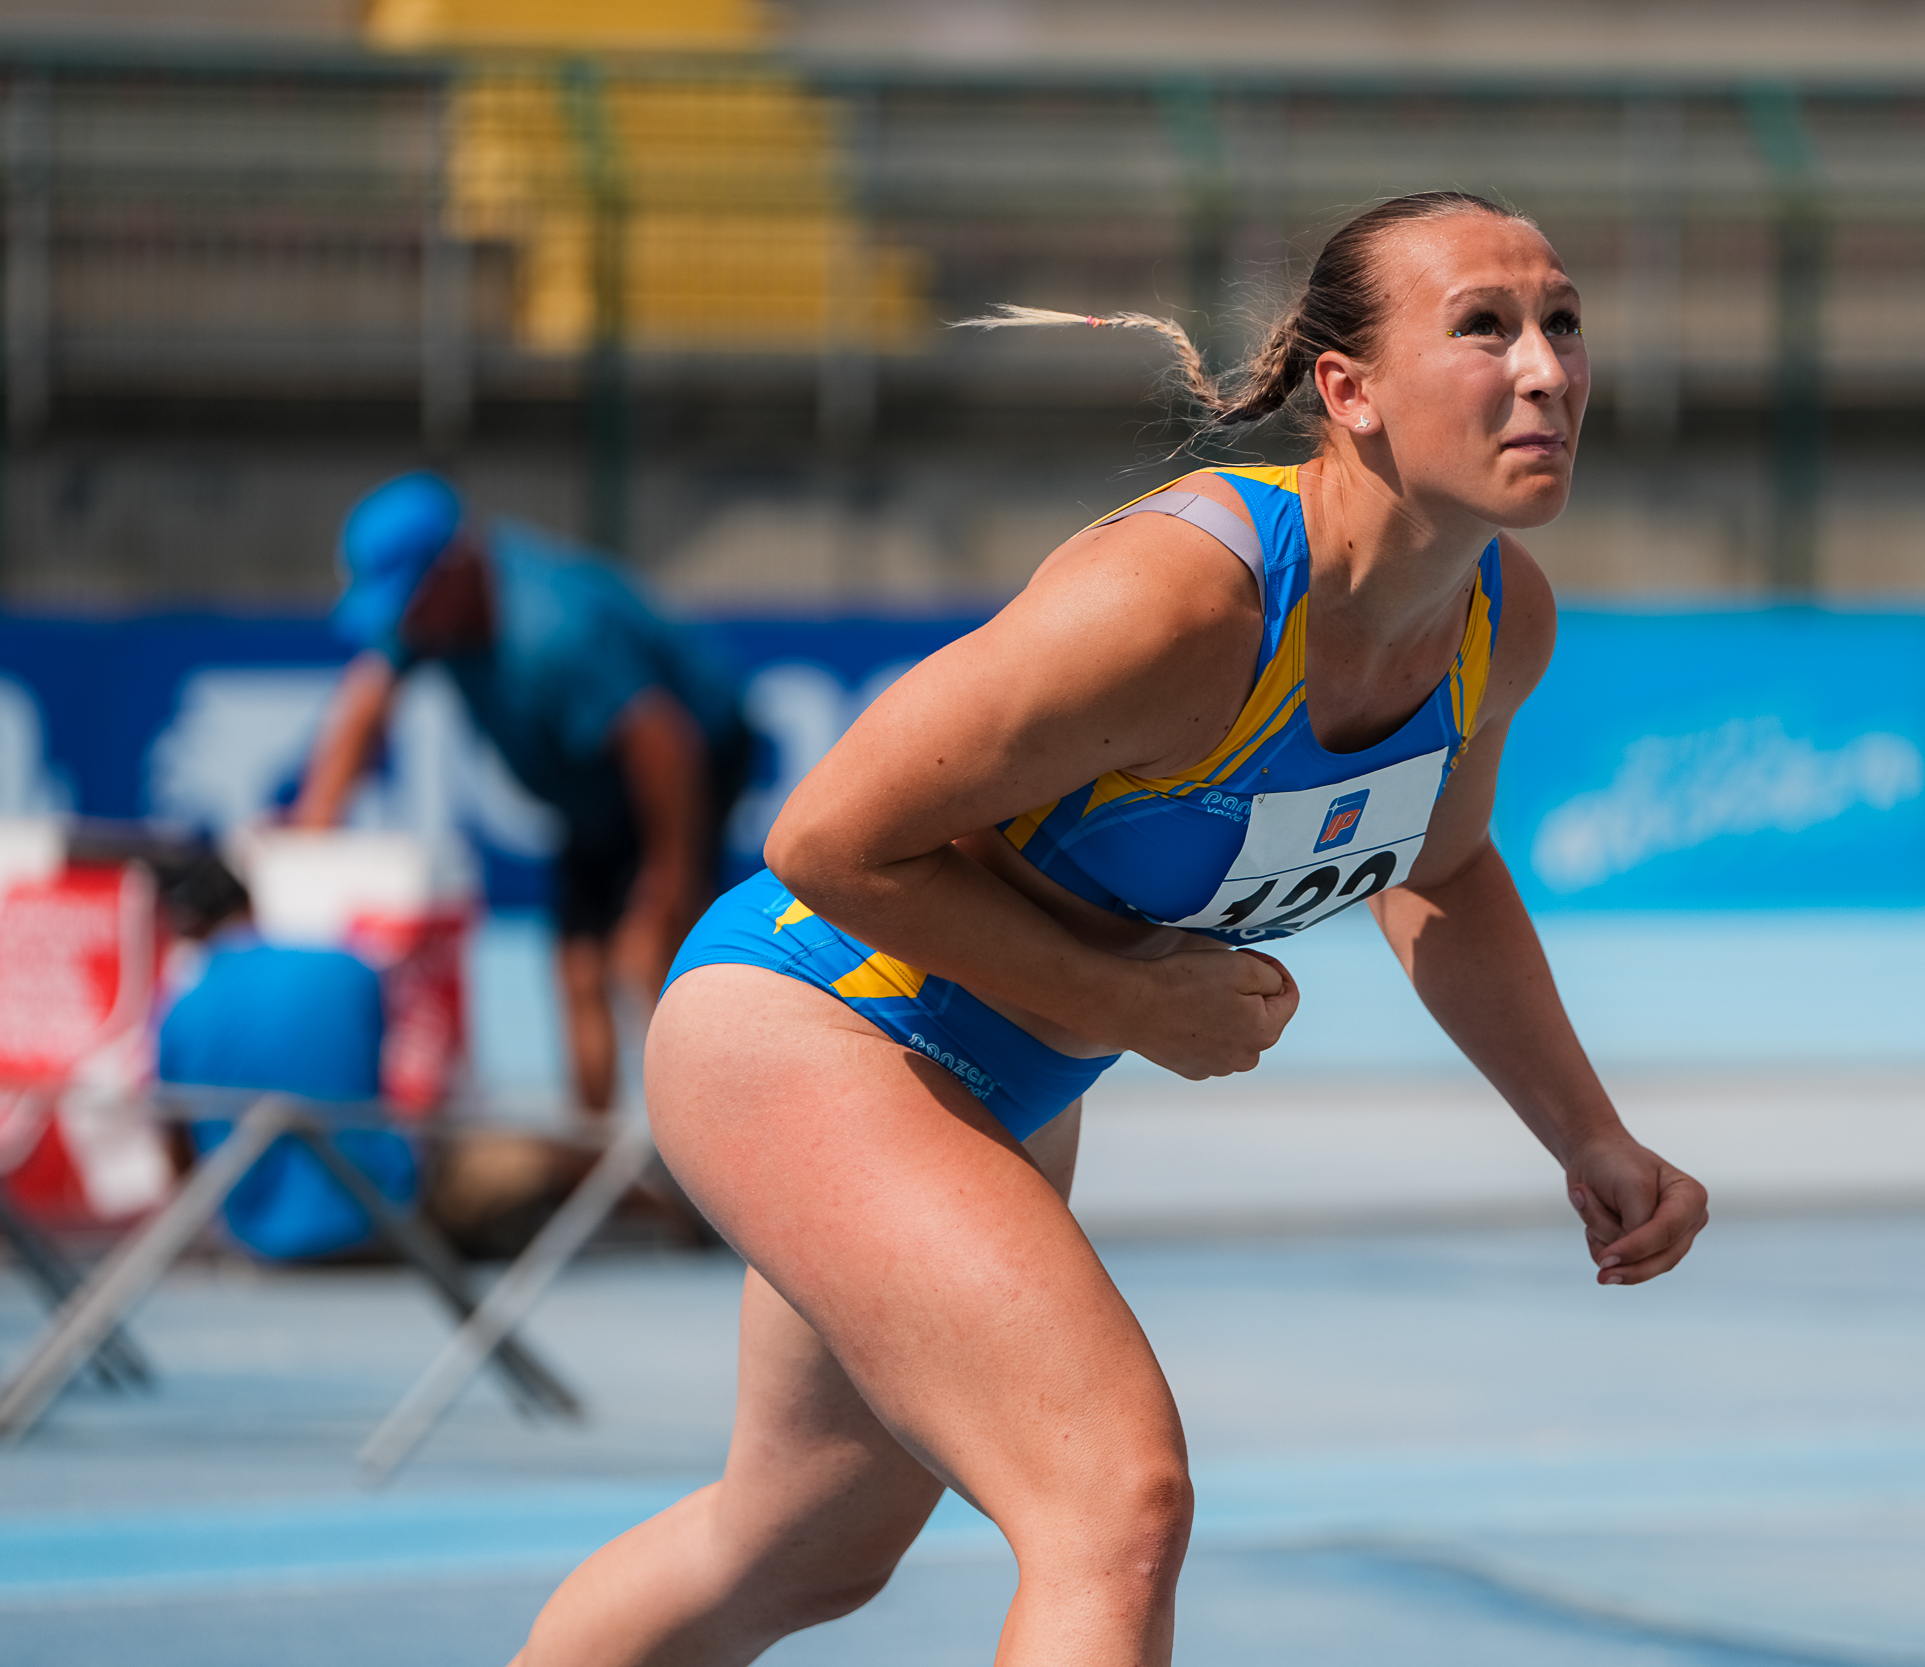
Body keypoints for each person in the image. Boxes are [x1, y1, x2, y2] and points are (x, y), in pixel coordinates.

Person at [511, 191, 1710, 1667]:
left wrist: (1587, 1133)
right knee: (1113, 1500)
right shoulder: (1181, 601)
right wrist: (1133, 1004)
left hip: (1007, 1081)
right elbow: (822, 840)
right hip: (814, 1026)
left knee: (798, 1543)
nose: (1544, 370)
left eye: (1563, 322)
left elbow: (1441, 868)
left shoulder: (1495, 619)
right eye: (1485, 327)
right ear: (1350, 391)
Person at [294, 475, 752, 1112]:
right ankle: (595, 1156)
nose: (405, 623)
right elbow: (366, 701)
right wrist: (311, 832)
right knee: (577, 971)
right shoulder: (437, 610)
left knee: (653, 963)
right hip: (591, 789)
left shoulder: (555, 635)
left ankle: (709, 1140)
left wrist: (667, 883)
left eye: (410, 602)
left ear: (454, 567)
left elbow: (665, 747)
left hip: (680, 771)